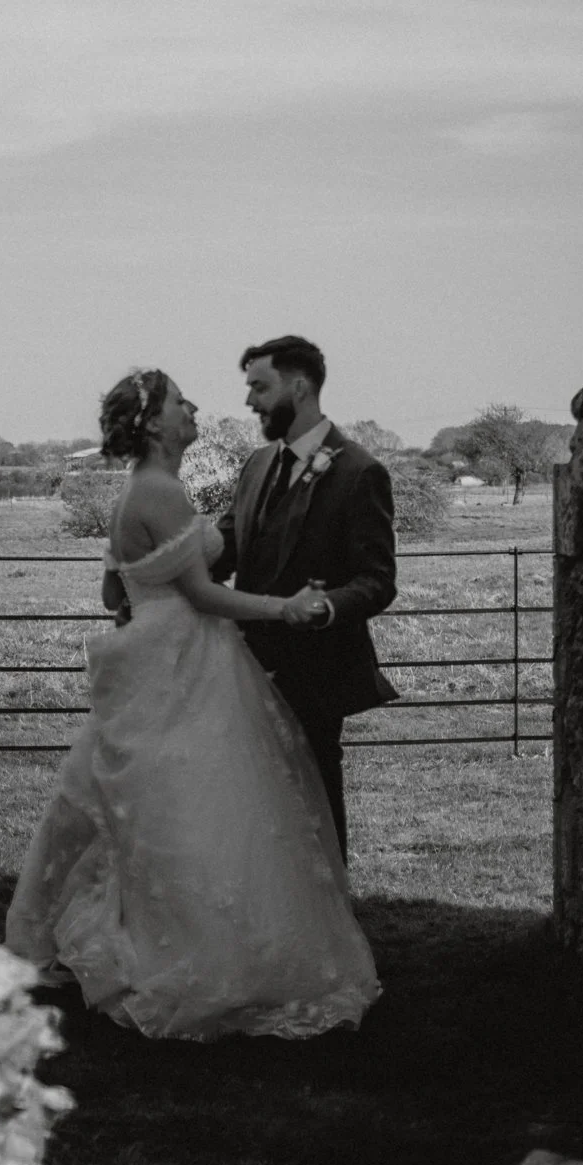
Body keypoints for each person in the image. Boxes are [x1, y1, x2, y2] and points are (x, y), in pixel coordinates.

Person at [4, 368, 379, 1041]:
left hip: (162, 661)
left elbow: (112, 596)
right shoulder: (158, 491)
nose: (194, 407)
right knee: (204, 802)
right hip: (184, 665)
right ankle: (199, 952)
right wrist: (286, 606)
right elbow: (206, 595)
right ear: (153, 422)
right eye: (181, 401)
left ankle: (157, 930)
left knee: (158, 803)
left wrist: (145, 595)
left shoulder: (142, 493)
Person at [212, 336, 398, 859]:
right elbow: (227, 546)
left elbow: (377, 579)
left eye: (259, 388)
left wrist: (326, 606)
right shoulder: (255, 465)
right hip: (244, 666)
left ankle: (331, 918)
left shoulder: (360, 472)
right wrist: (163, 567)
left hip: (316, 671)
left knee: (314, 803)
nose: (250, 402)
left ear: (299, 387)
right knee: (251, 803)